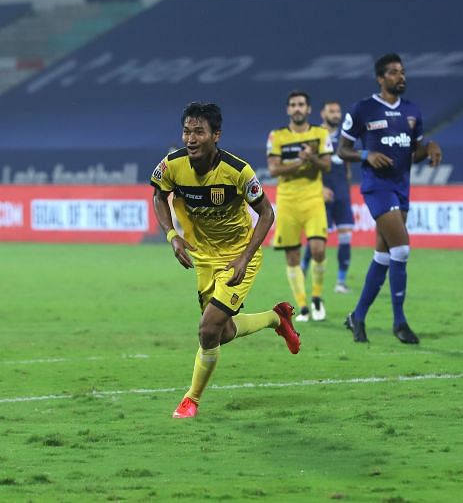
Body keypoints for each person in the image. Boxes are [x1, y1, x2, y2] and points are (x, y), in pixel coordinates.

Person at [151, 102, 301, 419]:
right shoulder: (172, 165)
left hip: (237, 258)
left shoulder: (238, 171)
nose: (191, 138)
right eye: (187, 132)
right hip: (203, 259)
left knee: (207, 331)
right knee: (223, 332)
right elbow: (158, 194)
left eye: (199, 132)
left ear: (215, 135)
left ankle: (191, 400)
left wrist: (246, 257)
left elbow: (267, 213)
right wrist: (171, 235)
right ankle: (277, 318)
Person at [338, 53, 443, 344]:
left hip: (401, 187)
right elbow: (341, 149)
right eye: (394, 72)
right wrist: (365, 155)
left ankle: (357, 317)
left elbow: (414, 151)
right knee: (402, 250)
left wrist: (431, 147)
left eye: (403, 72)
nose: (401, 77)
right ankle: (400, 322)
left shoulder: (412, 111)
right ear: (381, 78)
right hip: (377, 187)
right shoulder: (363, 109)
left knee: (384, 256)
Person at [267, 91, 333, 322]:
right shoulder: (277, 136)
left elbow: (326, 166)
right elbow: (274, 169)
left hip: (313, 198)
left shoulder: (320, 133)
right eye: (293, 105)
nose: (297, 108)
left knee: (318, 250)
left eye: (301, 105)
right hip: (287, 201)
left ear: (308, 109)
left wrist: (311, 158)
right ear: (288, 109)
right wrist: (300, 161)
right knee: (292, 256)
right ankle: (303, 306)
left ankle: (316, 297)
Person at [301, 101, 355, 294]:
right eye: (331, 111)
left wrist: (346, 191)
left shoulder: (345, 137)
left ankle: (341, 282)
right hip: (321, 194)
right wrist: (319, 189)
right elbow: (307, 167)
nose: (335, 114)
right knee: (316, 239)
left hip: (341, 194)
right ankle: (302, 272)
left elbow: (347, 166)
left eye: (338, 111)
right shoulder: (314, 135)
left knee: (346, 236)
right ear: (323, 114)